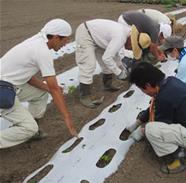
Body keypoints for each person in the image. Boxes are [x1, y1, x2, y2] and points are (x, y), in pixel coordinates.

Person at [126, 62, 186, 174]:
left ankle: (182, 158)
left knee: (151, 130)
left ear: (148, 85)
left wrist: (141, 131)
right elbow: (154, 105)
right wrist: (138, 121)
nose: (144, 92)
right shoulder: (170, 82)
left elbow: (160, 124)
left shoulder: (165, 98)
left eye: (142, 89)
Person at [0, 19, 78, 149]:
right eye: (65, 40)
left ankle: (30, 127)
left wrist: (47, 88)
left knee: (42, 93)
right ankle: (28, 129)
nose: (66, 43)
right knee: (29, 128)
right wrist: (68, 119)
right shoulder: (41, 51)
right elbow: (54, 88)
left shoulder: (37, 41)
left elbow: (28, 77)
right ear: (56, 37)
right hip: (3, 91)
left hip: (9, 84)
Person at [75, 19, 149, 108]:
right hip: (86, 34)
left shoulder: (125, 34)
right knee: (89, 65)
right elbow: (107, 58)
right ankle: (84, 96)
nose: (130, 50)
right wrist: (119, 73)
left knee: (107, 64)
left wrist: (121, 67)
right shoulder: (120, 37)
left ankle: (107, 85)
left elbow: (115, 54)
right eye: (132, 47)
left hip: (98, 37)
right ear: (132, 40)